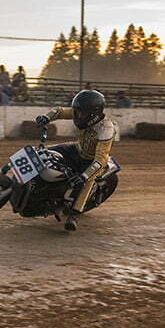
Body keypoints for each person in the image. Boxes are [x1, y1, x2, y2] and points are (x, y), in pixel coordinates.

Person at [35, 90, 116, 232]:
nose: (77, 116)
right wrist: (46, 118)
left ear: (93, 113)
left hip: (91, 160)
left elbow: (101, 159)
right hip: (76, 149)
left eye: (81, 113)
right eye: (77, 112)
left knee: (86, 181)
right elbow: (60, 111)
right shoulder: (80, 113)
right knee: (42, 152)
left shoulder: (106, 129)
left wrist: (84, 176)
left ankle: (74, 214)